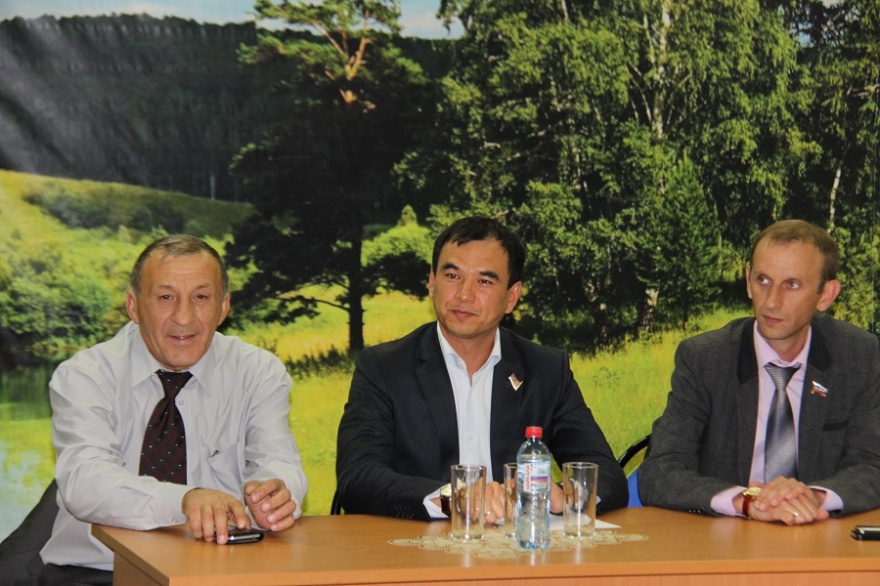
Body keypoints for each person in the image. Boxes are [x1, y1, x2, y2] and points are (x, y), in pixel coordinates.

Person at [31, 234, 308, 583]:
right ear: (133, 306)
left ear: (223, 307)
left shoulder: (258, 371)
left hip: (223, 569)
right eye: (165, 297)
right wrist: (184, 500)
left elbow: (278, 460)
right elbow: (85, 481)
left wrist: (277, 495)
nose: (184, 317)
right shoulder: (86, 375)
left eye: (201, 297)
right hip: (96, 572)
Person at [335, 216, 628, 521]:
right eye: (452, 276)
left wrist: (561, 495)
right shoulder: (385, 368)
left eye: (484, 281)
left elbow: (606, 474)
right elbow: (357, 476)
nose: (464, 294)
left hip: (517, 543)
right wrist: (456, 500)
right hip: (422, 541)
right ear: (432, 282)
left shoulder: (546, 370)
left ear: (511, 297)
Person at [639, 219, 880, 525]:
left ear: (826, 295)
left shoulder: (858, 355)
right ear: (747, 281)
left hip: (817, 534)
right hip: (728, 538)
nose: (772, 301)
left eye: (792, 285)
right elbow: (659, 471)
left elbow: (873, 464)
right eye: (763, 280)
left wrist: (813, 497)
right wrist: (748, 501)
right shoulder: (705, 359)